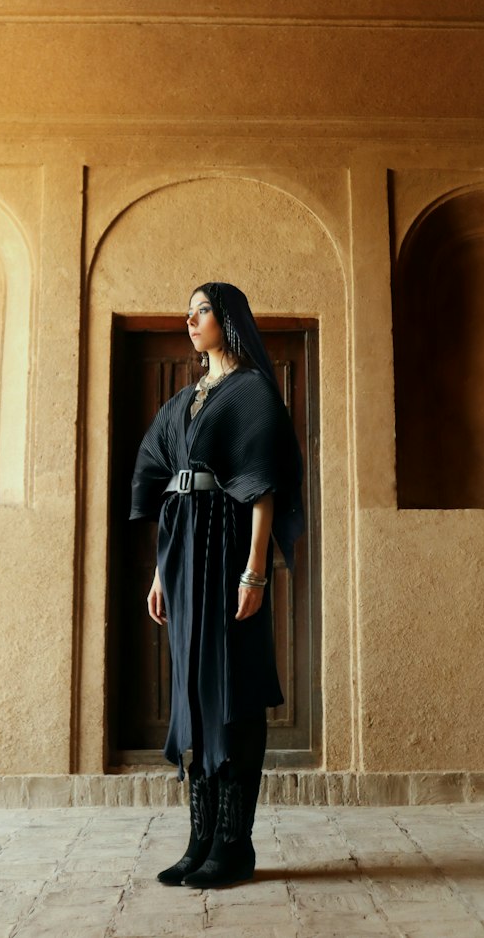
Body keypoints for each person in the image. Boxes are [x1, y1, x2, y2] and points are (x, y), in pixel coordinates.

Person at [129, 281, 304, 889]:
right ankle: (199, 839)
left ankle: (235, 844)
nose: (189, 320)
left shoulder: (252, 391)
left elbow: (263, 487)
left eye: (200, 309)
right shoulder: (184, 400)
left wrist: (255, 571)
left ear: (227, 319)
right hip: (184, 559)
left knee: (231, 687)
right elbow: (164, 478)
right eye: (186, 312)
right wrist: (159, 572)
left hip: (229, 551)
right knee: (192, 694)